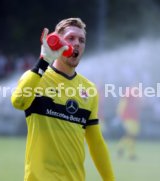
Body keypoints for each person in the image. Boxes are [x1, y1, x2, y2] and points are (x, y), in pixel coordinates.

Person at [11, 18, 115, 181]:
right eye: (71, 38)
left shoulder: (89, 89)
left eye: (82, 40)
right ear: (58, 41)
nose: (77, 44)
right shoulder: (38, 77)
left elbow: (96, 142)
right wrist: (43, 61)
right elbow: (18, 102)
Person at [116, 86, 142, 160]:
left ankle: (122, 148)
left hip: (135, 118)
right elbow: (122, 103)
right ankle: (130, 154)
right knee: (130, 135)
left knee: (132, 137)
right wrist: (120, 114)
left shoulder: (138, 93)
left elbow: (139, 105)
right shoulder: (129, 92)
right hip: (128, 118)